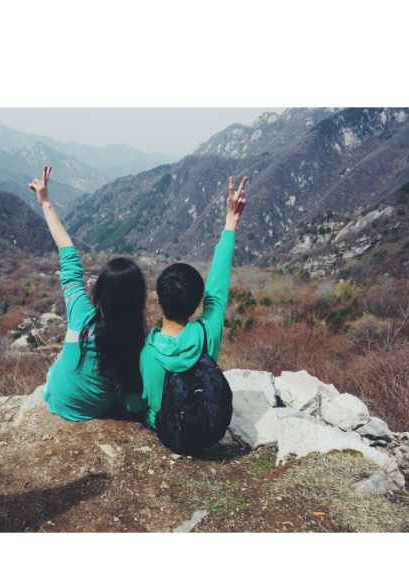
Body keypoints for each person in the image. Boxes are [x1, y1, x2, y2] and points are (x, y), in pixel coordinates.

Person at [28, 165, 148, 421]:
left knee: (60, 363)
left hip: (58, 398)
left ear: (100, 291)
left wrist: (45, 202)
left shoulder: (81, 313)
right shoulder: (136, 339)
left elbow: (69, 255)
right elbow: (134, 401)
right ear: (138, 300)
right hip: (97, 409)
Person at [139, 175, 248, 429]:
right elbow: (217, 292)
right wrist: (231, 221)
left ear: (159, 300)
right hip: (204, 425)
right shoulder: (207, 333)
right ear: (198, 303)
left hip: (166, 430)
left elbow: (145, 401)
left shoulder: (148, 351)